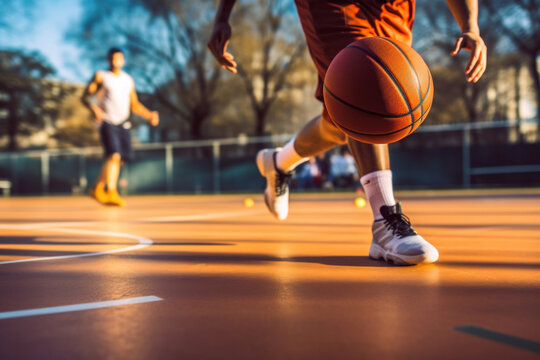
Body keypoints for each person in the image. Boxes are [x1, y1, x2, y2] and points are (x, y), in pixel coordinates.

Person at [208, 0, 486, 265]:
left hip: (392, 8)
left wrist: (470, 25)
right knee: (364, 86)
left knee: (342, 124)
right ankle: (384, 220)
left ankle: (279, 162)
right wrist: (222, 16)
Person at [81, 48, 159, 206]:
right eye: (112, 58)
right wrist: (94, 108)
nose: (115, 61)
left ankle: (97, 187)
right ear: (108, 60)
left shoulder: (127, 80)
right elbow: (84, 97)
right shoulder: (101, 76)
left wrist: (149, 115)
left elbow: (134, 105)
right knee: (114, 156)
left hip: (123, 123)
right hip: (107, 121)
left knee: (118, 160)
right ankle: (111, 191)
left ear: (123, 60)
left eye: (118, 58)